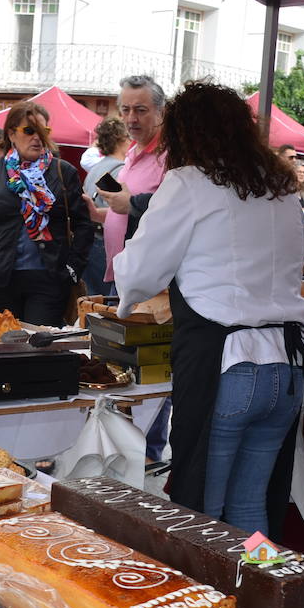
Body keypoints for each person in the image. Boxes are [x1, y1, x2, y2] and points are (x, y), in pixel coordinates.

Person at [113, 82, 304, 535]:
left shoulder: (188, 183)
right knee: (250, 508)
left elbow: (139, 273)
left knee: (199, 514)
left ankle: (211, 604)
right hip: (285, 365)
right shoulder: (279, 188)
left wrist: (126, 292)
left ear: (184, 133)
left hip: (227, 366)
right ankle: (256, 601)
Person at [95, 75, 173, 462]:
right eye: (125, 109)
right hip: (121, 276)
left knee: (151, 371)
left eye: (140, 110)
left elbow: (170, 206)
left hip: (152, 285)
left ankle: (147, 453)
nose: (130, 117)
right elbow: (125, 205)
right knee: (122, 368)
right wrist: (103, 211)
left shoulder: (170, 156)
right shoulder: (133, 154)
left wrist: (133, 204)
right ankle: (124, 449)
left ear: (161, 111)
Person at [0, 102, 91, 325]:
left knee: (40, 349)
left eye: (43, 131)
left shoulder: (63, 172)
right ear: (11, 134)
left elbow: (83, 225)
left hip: (49, 278)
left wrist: (72, 269)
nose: (37, 137)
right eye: (29, 130)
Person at [80, 117, 128, 297]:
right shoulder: (119, 170)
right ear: (122, 139)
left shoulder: (94, 170)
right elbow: (119, 210)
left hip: (90, 241)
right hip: (105, 242)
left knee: (92, 300)